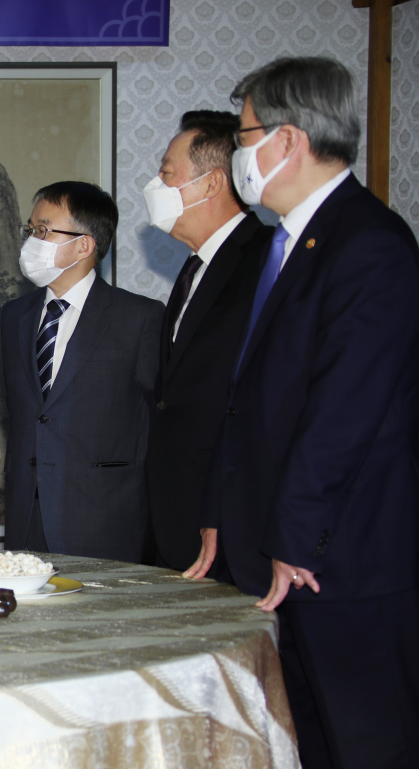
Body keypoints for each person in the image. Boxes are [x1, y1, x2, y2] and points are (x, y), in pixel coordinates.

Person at [187, 57, 419, 769]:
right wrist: (228, 511)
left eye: (246, 134)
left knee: (367, 741)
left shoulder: (370, 244)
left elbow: (344, 412)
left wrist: (291, 537)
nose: (240, 155)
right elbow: (258, 398)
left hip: (340, 561)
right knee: (308, 742)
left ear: (287, 140)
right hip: (288, 553)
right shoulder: (288, 243)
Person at [0, 181, 162, 562]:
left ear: (84, 245)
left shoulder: (138, 318)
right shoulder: (14, 317)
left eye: (44, 230)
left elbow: (159, 425)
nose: (31, 240)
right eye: (30, 229)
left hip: (104, 519)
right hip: (27, 517)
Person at [143, 111, 270, 570]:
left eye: (166, 173)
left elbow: (259, 400)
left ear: (213, 184)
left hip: (229, 517)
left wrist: (220, 508)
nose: (155, 185)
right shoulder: (195, 266)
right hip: (175, 511)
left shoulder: (266, 261)